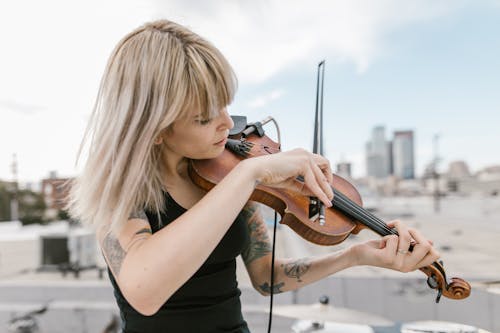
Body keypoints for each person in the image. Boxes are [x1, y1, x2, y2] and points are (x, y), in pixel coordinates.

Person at [66, 19, 440, 333]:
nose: (228, 124)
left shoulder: (220, 171)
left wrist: (354, 255)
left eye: (225, 106)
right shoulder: (122, 193)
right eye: (203, 118)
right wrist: (250, 173)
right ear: (156, 128)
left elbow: (266, 276)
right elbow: (144, 292)